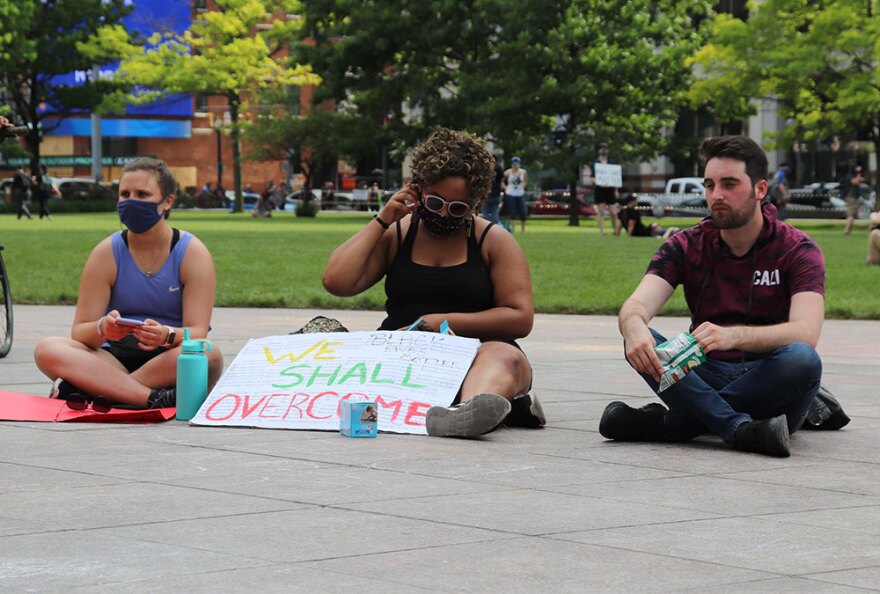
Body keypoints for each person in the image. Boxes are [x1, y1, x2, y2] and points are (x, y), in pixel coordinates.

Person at [601, 135, 825, 457]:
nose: (716, 195)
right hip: (703, 369)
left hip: (770, 376)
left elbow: (806, 332)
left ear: (760, 190)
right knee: (639, 337)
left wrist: (732, 336)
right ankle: (741, 429)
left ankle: (673, 424)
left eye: (729, 184)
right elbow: (637, 305)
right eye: (709, 185)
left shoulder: (797, 249)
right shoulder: (685, 245)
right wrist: (632, 326)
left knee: (803, 359)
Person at [323, 128, 544, 438]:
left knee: (505, 358)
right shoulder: (398, 233)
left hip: (477, 351)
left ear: (475, 202)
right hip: (403, 350)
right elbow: (337, 282)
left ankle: (470, 411)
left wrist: (437, 321)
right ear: (419, 189)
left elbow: (520, 318)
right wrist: (384, 218)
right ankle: (506, 407)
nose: (444, 214)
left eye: (457, 208)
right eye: (436, 202)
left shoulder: (492, 240)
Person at [33, 157, 223, 409]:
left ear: (168, 201)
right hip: (113, 357)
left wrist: (166, 335)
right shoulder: (107, 252)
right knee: (48, 349)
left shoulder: (191, 252)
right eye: (125, 194)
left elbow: (197, 330)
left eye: (142, 194)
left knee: (209, 352)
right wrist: (103, 328)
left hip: (169, 357)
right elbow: (80, 331)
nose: (131, 201)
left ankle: (98, 391)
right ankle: (149, 398)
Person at [592, 143, 621, 236]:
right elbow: (592, 178)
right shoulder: (596, 163)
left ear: (608, 150)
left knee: (613, 212)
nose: (604, 150)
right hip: (600, 190)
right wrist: (600, 183)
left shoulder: (612, 163)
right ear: (599, 151)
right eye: (602, 148)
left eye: (605, 148)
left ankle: (615, 230)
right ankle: (602, 231)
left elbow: (616, 178)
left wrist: (616, 190)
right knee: (601, 212)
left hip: (610, 190)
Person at [502, 156, 528, 233]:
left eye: (517, 164)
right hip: (511, 193)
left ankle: (522, 230)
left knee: (522, 211)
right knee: (512, 212)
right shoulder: (508, 172)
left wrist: (523, 186)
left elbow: (526, 181)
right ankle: (513, 229)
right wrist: (505, 188)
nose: (515, 166)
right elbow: (501, 180)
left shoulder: (523, 172)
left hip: (520, 193)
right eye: (514, 164)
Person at [842, 164, 865, 235]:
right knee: (851, 214)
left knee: (853, 215)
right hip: (851, 197)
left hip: (854, 197)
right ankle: (846, 230)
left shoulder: (852, 176)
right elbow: (856, 181)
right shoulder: (850, 176)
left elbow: (860, 179)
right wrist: (859, 173)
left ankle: (848, 231)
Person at [481, 159, 504, 224]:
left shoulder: (484, 167)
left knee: (485, 213)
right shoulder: (498, 167)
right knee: (495, 213)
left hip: (486, 193)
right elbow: (501, 180)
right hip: (496, 194)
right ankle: (494, 228)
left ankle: (485, 228)